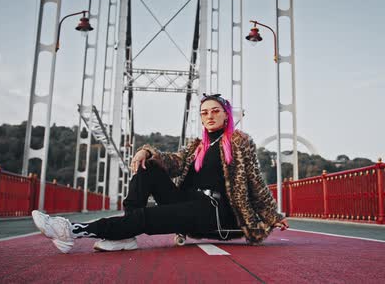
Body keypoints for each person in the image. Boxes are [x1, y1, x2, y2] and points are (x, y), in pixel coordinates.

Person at [32, 93, 289, 253]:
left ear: (226, 115)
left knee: (147, 215)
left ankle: (71, 231)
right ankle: (125, 234)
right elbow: (174, 161)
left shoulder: (239, 142)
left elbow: (255, 182)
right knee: (149, 167)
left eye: (215, 111)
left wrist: (272, 215)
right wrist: (147, 152)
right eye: (204, 113)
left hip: (213, 212)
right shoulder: (197, 146)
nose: (209, 116)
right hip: (188, 200)